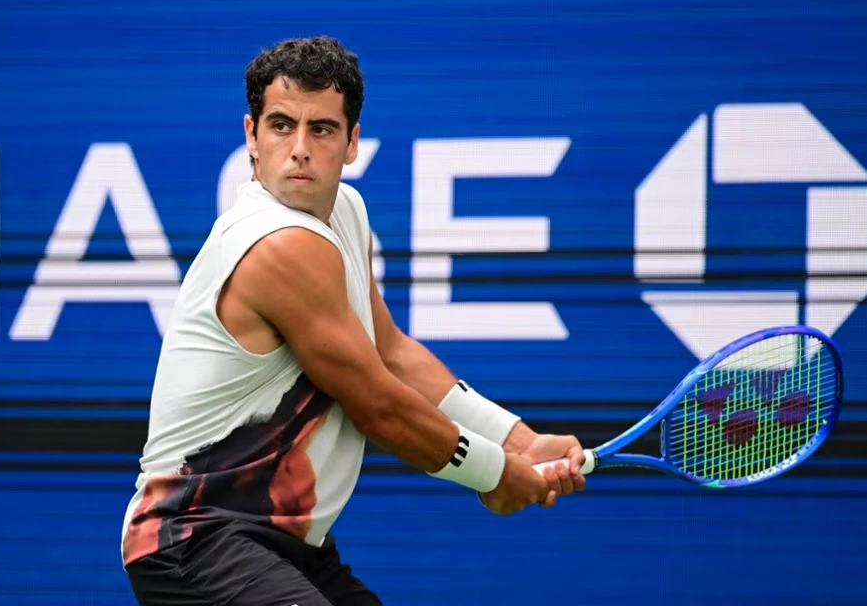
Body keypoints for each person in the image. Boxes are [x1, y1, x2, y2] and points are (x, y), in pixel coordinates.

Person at [121, 36, 586, 605]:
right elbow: (378, 405)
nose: (299, 149)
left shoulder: (345, 212)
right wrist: (495, 473)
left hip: (286, 541)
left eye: (321, 129)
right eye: (281, 125)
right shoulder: (277, 244)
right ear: (251, 136)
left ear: (352, 143)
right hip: (196, 536)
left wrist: (518, 439)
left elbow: (390, 353)